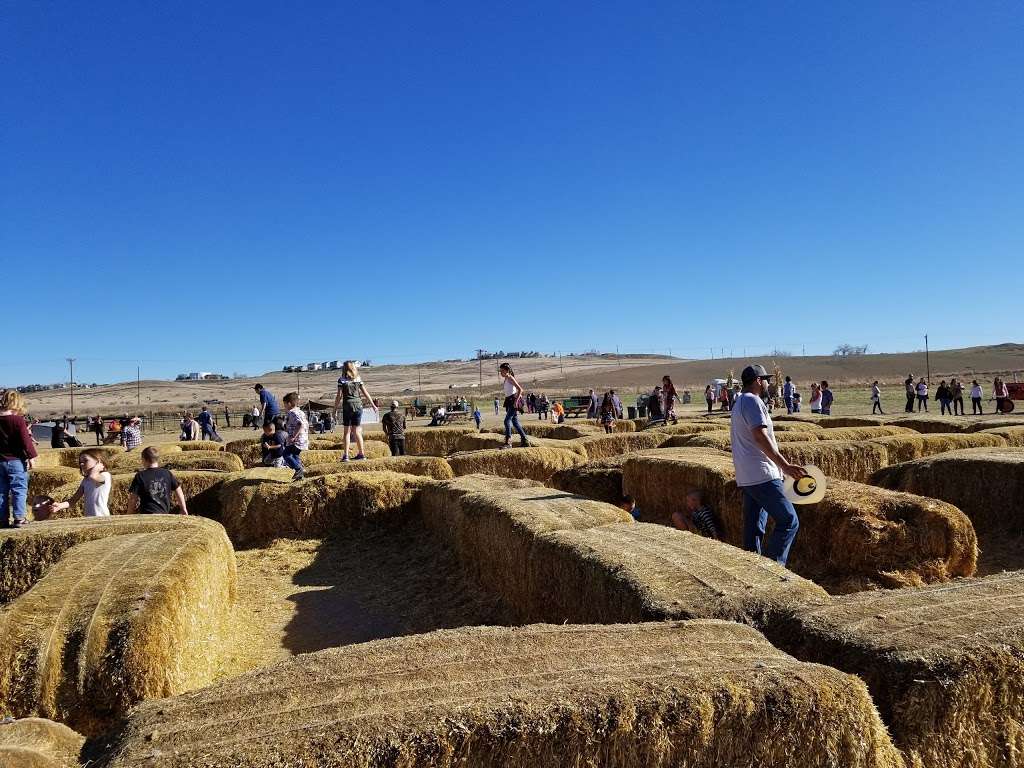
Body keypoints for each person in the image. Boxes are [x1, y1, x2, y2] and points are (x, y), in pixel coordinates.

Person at [730, 364, 806, 566]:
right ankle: (773, 569)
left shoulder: (739, 402)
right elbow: (760, 436)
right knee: (789, 521)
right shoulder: (752, 401)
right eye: (766, 379)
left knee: (754, 528)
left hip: (748, 476)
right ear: (757, 381)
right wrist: (786, 466)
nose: (768, 383)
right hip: (762, 474)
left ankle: (752, 568)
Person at [1, 390, 37, 529]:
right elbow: (26, 441)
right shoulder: (17, 420)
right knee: (19, 490)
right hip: (15, 461)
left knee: (1, 491)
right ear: (16, 404)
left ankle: (2, 519)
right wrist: (32, 457)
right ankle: (19, 518)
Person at [334, 360, 378, 461]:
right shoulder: (358, 379)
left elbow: (339, 396)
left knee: (347, 432)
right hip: (358, 405)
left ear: (344, 369)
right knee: (357, 431)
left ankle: (346, 456)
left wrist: (335, 409)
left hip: (347, 406)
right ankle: (361, 454)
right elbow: (365, 393)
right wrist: (373, 405)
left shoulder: (341, 380)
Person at [49, 449, 112, 517]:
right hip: (89, 517)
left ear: (98, 461)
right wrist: (60, 506)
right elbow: (73, 500)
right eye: (80, 462)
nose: (81, 464)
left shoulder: (105, 475)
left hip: (102, 517)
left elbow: (93, 476)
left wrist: (97, 467)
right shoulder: (86, 480)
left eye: (85, 460)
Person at [128, 446, 188, 515]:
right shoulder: (167, 473)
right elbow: (178, 490)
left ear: (144, 460)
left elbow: (133, 499)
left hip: (146, 515)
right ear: (157, 459)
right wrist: (183, 508)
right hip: (164, 513)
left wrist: (129, 514)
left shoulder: (140, 476)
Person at [497, 363, 530, 448]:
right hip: (509, 400)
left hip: (513, 400)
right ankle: (525, 440)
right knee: (515, 422)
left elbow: (520, 389)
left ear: (507, 370)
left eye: (502, 371)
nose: (501, 372)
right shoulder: (506, 379)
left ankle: (508, 442)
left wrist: (516, 401)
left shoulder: (510, 378)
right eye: (500, 371)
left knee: (506, 420)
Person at [281, 392, 308, 481]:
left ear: (289, 403)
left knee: (286, 454)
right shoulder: (300, 412)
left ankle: (299, 469)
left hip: (296, 439)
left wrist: (294, 436)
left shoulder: (292, 413)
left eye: (284, 404)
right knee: (295, 455)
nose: (284, 406)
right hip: (303, 439)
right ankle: (300, 476)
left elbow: (300, 424)